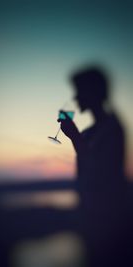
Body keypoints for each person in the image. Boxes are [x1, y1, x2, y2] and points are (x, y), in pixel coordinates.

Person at [58, 66, 127, 266]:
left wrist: (74, 136)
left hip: (109, 226)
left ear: (94, 92)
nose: (76, 96)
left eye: (79, 90)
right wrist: (75, 136)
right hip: (89, 222)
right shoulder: (90, 131)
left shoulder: (113, 128)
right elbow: (86, 159)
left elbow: (101, 172)